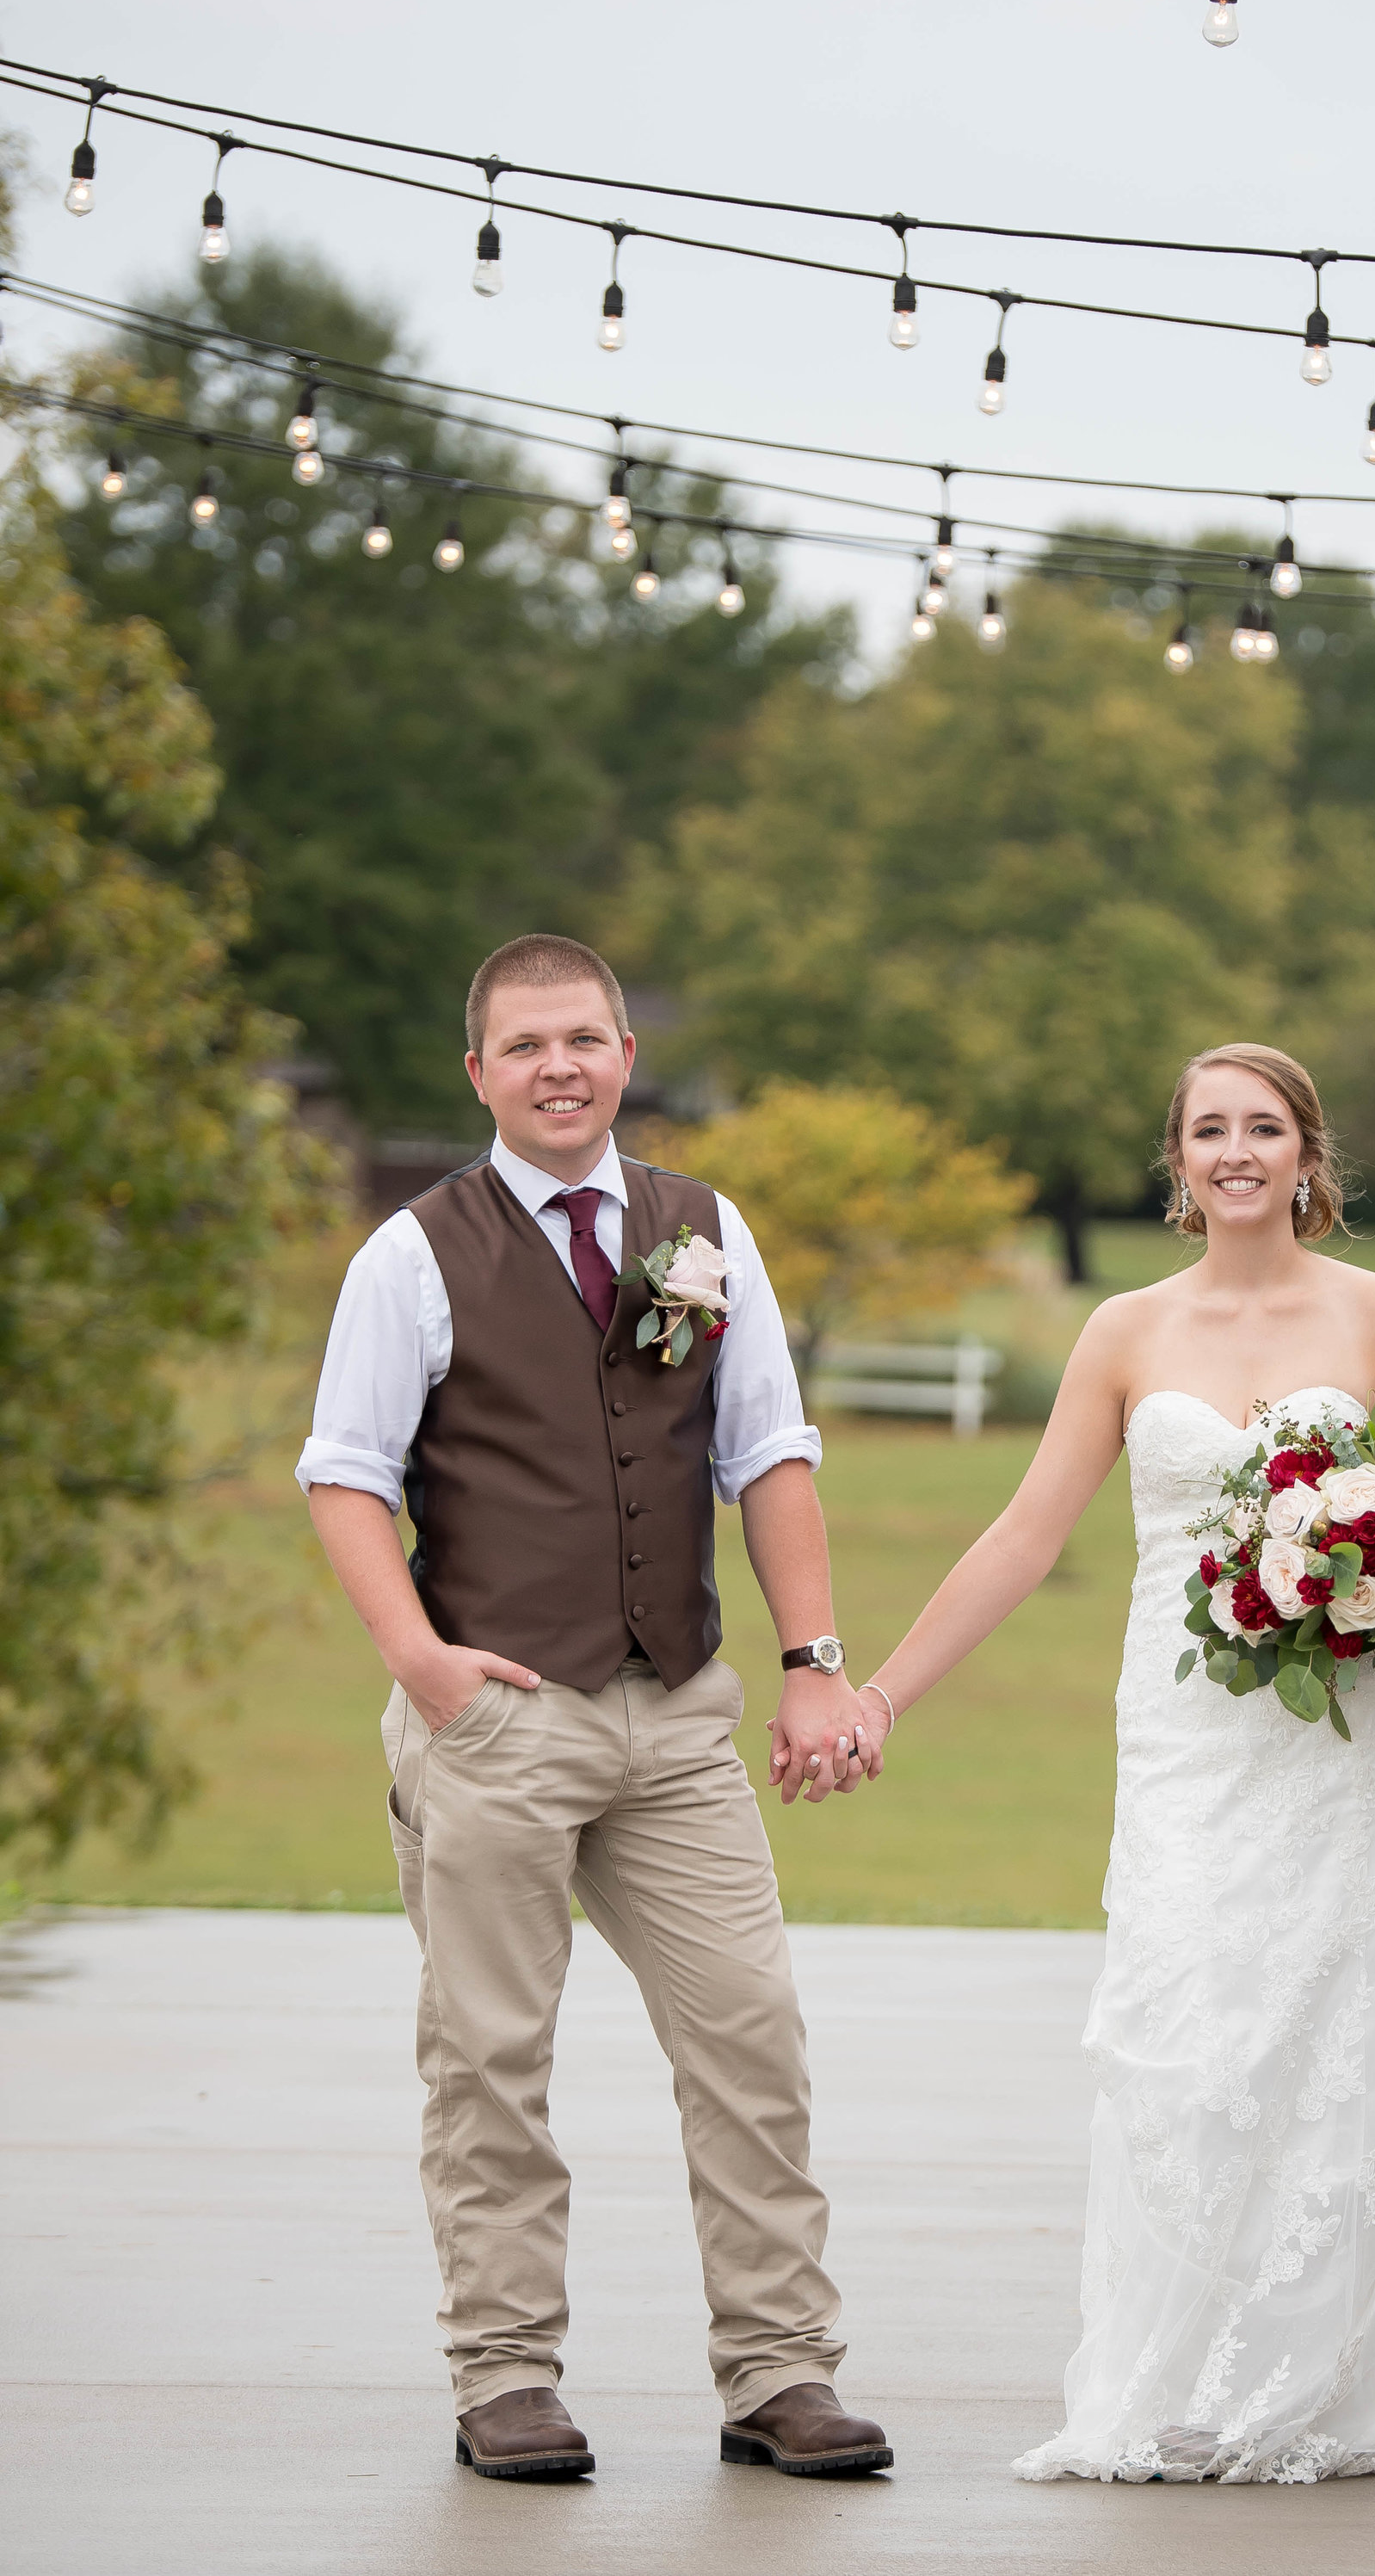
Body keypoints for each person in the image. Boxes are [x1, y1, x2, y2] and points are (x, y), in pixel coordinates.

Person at [842, 1042, 1375, 2484]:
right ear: (1180, 1161)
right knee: (1187, 2038)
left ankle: (1308, 2386)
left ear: (1308, 1154)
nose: (1237, 1151)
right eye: (1209, 1130)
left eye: (1265, 1127)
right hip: (1185, 1740)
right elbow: (1025, 1535)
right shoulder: (1124, 1332)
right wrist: (884, 1692)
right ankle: (1164, 2375)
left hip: (1347, 1737)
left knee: (1338, 2050)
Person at [297, 933, 891, 2485]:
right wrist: (426, 1669)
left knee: (751, 2035)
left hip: (679, 1710)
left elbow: (768, 1450)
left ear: (627, 1052)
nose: (560, 1065)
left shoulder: (704, 1228)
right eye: (526, 1043)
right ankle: (505, 2376)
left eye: (586, 1037)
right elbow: (347, 1476)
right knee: (490, 2055)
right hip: (497, 1712)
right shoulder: (414, 1253)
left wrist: (814, 1655)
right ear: (479, 1071)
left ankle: (782, 2371)